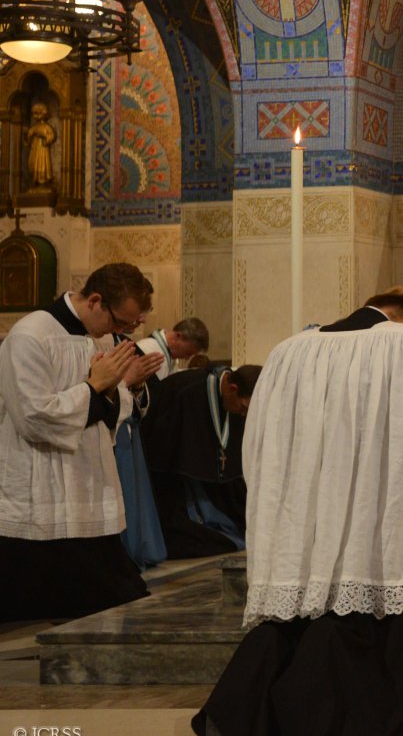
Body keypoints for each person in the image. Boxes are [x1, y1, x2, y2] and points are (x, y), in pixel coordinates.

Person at [193, 289, 403, 736]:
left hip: (300, 519)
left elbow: (258, 446)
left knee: (294, 620)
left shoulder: (286, 352)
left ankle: (237, 711)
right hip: (380, 511)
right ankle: (309, 723)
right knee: (360, 617)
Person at [0, 264, 165, 622]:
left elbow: (112, 408)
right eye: (120, 322)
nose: (120, 333)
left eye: (129, 326)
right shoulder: (30, 336)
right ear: (95, 301)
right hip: (40, 478)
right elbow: (33, 417)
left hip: (88, 477)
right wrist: (95, 387)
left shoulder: (104, 339)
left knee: (120, 594)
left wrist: (130, 386)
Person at [114, 317, 211, 568]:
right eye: (188, 351)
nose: (188, 357)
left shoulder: (163, 354)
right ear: (178, 336)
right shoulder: (150, 351)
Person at [141, 365, 260, 558]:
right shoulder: (185, 391)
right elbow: (165, 452)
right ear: (232, 389)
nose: (243, 414)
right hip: (174, 487)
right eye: (243, 407)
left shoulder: (232, 403)